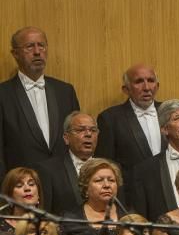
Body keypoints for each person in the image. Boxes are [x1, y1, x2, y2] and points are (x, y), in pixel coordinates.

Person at [0, 26, 81, 177]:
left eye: (41, 45)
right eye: (29, 46)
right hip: (21, 186)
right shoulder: (3, 94)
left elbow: (77, 139)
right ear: (15, 54)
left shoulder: (65, 91)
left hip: (63, 183)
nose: (37, 52)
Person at [95, 63, 163, 188]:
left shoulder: (170, 112)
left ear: (157, 86)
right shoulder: (110, 118)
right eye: (139, 82)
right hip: (131, 195)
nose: (147, 87)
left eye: (151, 81)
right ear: (126, 89)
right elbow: (106, 164)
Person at [61, 158, 127, 235]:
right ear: (86, 188)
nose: (106, 185)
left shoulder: (129, 216)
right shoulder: (71, 220)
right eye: (99, 180)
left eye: (111, 180)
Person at [37, 111, 99, 214]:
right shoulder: (48, 170)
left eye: (93, 130)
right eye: (80, 130)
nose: (88, 134)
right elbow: (44, 214)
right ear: (66, 138)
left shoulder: (109, 168)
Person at [0, 167, 43, 235]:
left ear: (38, 195)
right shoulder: (1, 229)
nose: (27, 188)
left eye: (31, 184)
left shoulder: (50, 226)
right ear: (9, 196)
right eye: (19, 185)